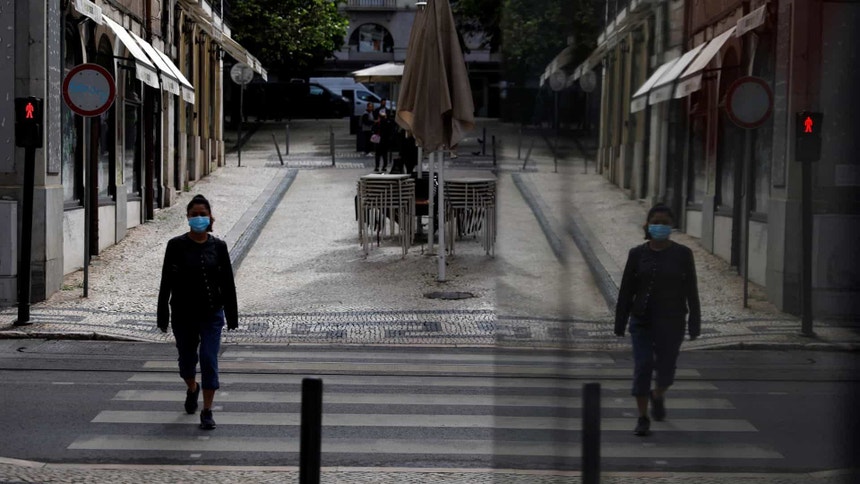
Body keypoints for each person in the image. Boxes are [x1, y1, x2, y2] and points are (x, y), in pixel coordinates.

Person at [614, 203, 701, 437]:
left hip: (672, 321)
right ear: (648, 225)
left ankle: (658, 394)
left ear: (671, 226)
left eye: (665, 222)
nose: (660, 226)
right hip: (642, 320)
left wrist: (695, 321)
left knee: (666, 371)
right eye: (656, 222)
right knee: (642, 366)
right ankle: (643, 417)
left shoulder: (683, 254)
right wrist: (620, 321)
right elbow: (626, 290)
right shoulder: (637, 254)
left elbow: (691, 289)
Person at [157, 194, 238, 430]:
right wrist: (162, 315)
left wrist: (231, 316)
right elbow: (166, 282)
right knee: (187, 362)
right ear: (187, 218)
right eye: (195, 215)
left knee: (209, 360)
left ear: (210, 217)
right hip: (183, 314)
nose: (199, 218)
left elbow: (228, 283)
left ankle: (207, 411)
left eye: (203, 214)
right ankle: (192, 388)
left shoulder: (219, 247)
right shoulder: (175, 245)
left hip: (212, 314)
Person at [373, 108, 395, 173]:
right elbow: (391, 132)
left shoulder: (378, 123)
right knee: (384, 154)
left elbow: (374, 130)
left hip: (379, 140)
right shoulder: (388, 122)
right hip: (385, 141)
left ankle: (377, 166)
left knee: (378, 154)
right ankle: (384, 167)